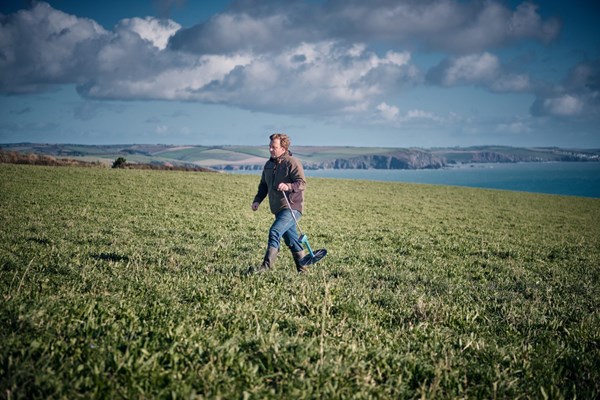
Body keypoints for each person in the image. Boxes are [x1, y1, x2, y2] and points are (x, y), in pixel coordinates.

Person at [250, 133, 308, 273]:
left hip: (291, 207)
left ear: (283, 148)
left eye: (273, 147)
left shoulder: (292, 162)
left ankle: (266, 268)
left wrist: (288, 186)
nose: (270, 149)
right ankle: (304, 271)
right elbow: (264, 185)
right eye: (269, 146)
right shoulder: (269, 164)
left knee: (275, 231)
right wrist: (257, 200)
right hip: (278, 209)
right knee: (292, 240)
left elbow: (302, 183)